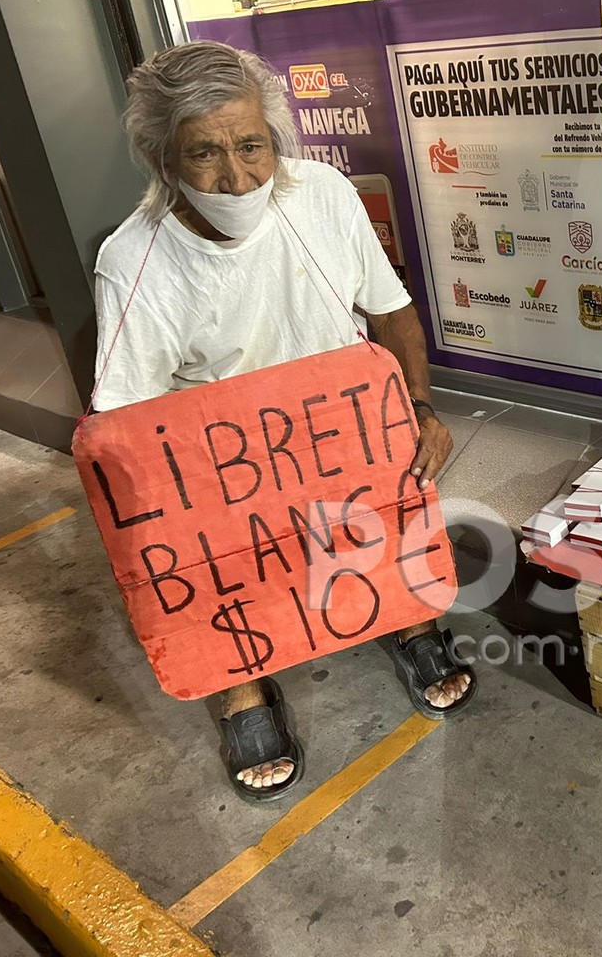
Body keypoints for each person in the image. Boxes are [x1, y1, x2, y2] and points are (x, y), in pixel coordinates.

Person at [92, 40, 475, 803]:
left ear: (276, 142)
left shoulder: (322, 194)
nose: (236, 177)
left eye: (251, 146)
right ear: (162, 161)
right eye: (204, 153)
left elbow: (392, 313)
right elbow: (127, 431)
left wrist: (421, 411)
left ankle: (406, 624)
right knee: (219, 563)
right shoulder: (133, 260)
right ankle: (241, 690)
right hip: (227, 462)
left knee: (385, 518)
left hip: (344, 436)